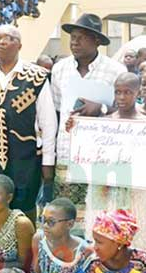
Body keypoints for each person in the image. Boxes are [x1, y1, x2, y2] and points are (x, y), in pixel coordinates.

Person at [68, 73, 146, 259]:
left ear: (137, 93)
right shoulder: (102, 123)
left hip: (137, 195)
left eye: (127, 92)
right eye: (118, 92)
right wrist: (75, 130)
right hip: (105, 193)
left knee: (136, 242)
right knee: (104, 238)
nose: (121, 97)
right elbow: (89, 155)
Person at [0, 25, 56, 219]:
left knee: (24, 210)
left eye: (8, 38)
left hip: (26, 158)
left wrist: (48, 162)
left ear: (19, 45)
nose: (1, 41)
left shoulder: (36, 76)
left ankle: (26, 249)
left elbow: (48, 123)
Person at [50, 14, 125, 216]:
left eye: (81, 37)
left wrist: (99, 109)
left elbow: (124, 111)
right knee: (66, 214)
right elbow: (57, 109)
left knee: (99, 212)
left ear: (97, 40)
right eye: (72, 37)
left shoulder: (115, 70)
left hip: (101, 153)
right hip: (67, 150)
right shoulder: (59, 69)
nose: (75, 42)